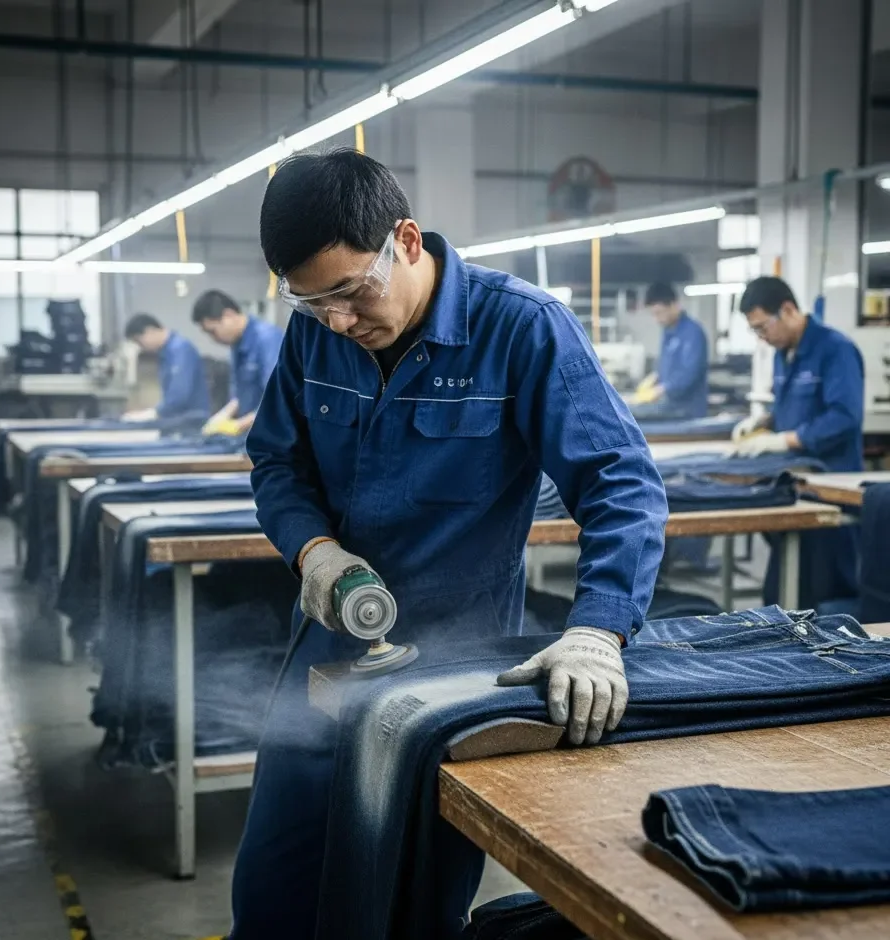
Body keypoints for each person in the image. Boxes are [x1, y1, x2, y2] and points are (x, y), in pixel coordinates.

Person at [230, 149, 668, 940]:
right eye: (309, 303)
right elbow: (277, 462)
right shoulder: (316, 337)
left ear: (404, 239)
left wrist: (598, 629)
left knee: (410, 897)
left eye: (349, 293)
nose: (336, 322)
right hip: (327, 642)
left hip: (457, 658)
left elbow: (621, 483)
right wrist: (314, 551)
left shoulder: (521, 327)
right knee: (274, 883)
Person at [732, 275, 864, 606]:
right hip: (795, 484)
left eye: (763, 327)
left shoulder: (836, 350)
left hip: (831, 484)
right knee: (783, 590)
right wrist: (762, 422)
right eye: (755, 331)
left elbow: (845, 417)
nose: (762, 337)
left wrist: (789, 440)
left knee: (826, 594)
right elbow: (788, 406)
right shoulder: (783, 352)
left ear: (788, 309)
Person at [191, 289, 284, 436]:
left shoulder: (267, 339)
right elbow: (240, 395)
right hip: (254, 433)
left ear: (229, 315)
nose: (213, 339)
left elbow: (278, 398)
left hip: (274, 435)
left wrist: (238, 425)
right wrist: (220, 418)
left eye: (213, 331)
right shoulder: (237, 344)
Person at [629, 281, 709, 420]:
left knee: (629, 414)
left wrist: (661, 390)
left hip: (687, 410)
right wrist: (653, 379)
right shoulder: (668, 332)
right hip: (670, 404)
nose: (656, 319)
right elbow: (666, 368)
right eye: (653, 314)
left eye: (659, 313)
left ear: (674, 305)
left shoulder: (692, 332)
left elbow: (689, 374)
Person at [121, 313, 211, 422]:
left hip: (191, 422)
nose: (141, 347)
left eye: (139, 341)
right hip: (178, 420)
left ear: (150, 331)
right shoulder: (165, 353)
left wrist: (153, 413)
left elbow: (179, 396)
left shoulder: (180, 350)